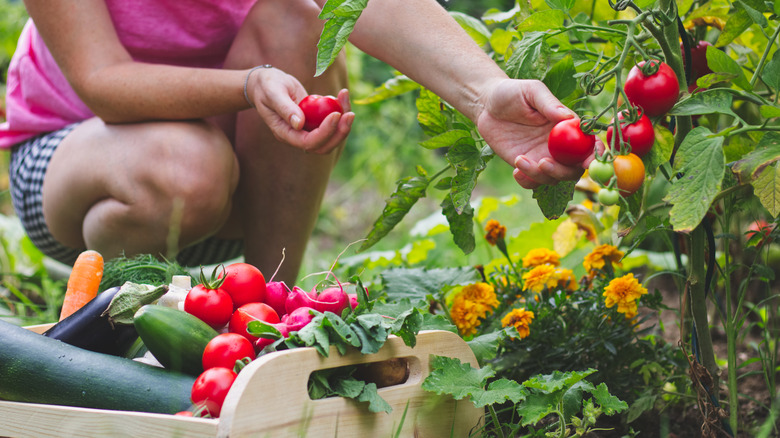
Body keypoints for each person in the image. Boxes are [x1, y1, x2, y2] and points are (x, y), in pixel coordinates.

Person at [2, 0, 592, 286]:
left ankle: (267, 305)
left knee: (298, 21)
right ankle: (112, 316)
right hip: (76, 168)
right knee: (184, 168)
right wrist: (248, 84)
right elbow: (102, 82)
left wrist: (484, 89)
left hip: (236, 175)